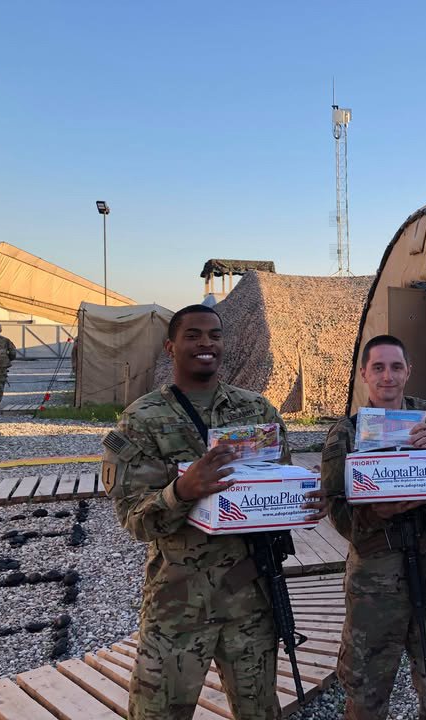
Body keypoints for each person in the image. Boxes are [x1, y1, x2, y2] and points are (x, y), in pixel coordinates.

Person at [101, 304, 326, 720]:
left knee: (259, 711)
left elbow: (281, 483)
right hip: (178, 603)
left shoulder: (257, 411)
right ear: (171, 347)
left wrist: (306, 503)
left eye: (215, 335)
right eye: (193, 335)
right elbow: (134, 519)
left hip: (251, 599)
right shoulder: (143, 420)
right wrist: (182, 491)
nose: (206, 343)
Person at [320, 334, 426, 720]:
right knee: (366, 695)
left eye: (396, 367)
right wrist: (379, 512)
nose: (387, 376)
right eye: (378, 367)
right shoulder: (345, 433)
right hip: (374, 588)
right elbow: (335, 507)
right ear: (364, 374)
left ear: (408, 372)